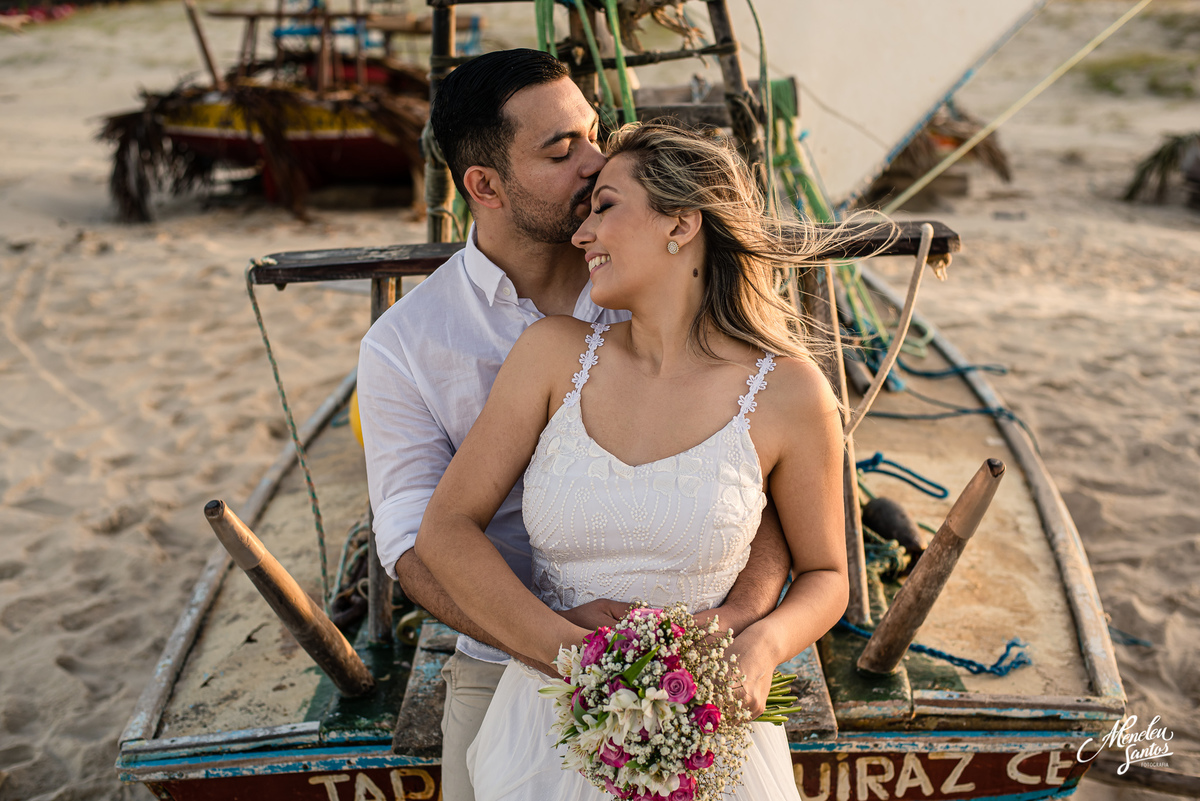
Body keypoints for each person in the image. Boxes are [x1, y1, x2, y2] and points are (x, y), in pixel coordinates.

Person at [357, 49, 790, 801]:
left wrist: (734, 625)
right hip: (500, 661)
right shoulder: (404, 344)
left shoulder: (657, 281)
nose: (597, 162)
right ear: (484, 186)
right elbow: (416, 548)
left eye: (594, 132)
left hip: (693, 667)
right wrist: (580, 654)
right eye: (562, 150)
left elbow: (769, 482)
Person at [416, 122, 850, 800]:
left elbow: (826, 572)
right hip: (547, 728)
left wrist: (761, 645)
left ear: (681, 224)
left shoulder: (791, 391)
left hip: (713, 734)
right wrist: (575, 656)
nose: (581, 234)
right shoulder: (552, 355)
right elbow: (443, 530)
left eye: (605, 207)